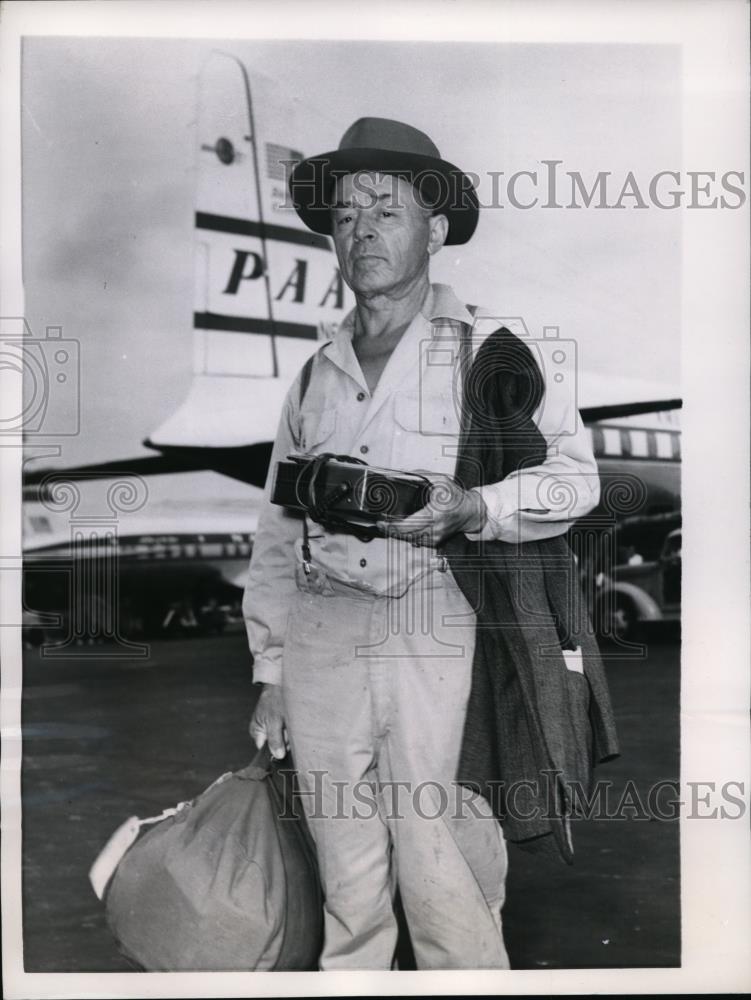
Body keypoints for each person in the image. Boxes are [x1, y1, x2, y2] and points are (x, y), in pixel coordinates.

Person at [243, 117, 601, 970]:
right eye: (344, 216)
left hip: (434, 617)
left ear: (435, 230)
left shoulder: (494, 350)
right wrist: (269, 673)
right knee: (345, 876)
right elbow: (276, 528)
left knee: (441, 862)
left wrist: (471, 509)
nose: (360, 231)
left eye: (385, 210)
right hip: (321, 632)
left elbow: (574, 479)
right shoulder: (313, 370)